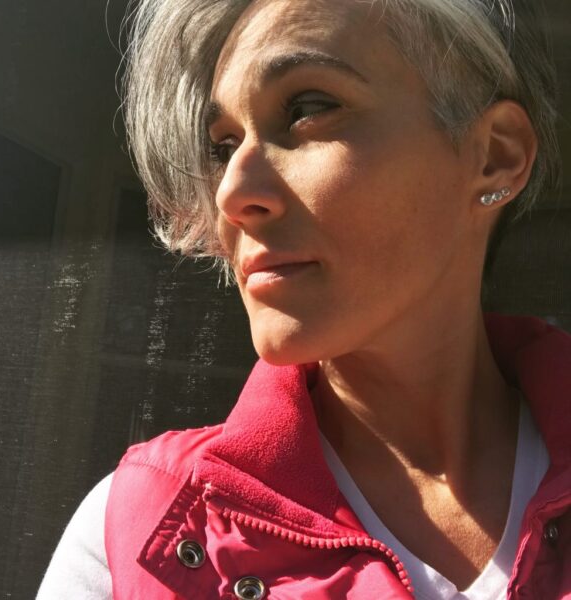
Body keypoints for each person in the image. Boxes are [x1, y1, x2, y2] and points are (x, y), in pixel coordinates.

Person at [37, 0, 571, 598]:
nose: (231, 193)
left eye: (308, 109)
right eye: (223, 145)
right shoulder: (140, 540)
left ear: (496, 155)